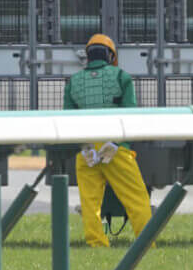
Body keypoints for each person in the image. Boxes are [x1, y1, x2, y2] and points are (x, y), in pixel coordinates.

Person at [64, 33, 152, 248]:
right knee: (136, 198)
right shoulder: (122, 76)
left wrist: (85, 147)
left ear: (88, 56)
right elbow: (130, 115)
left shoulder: (73, 81)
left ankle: (97, 243)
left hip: (86, 151)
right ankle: (147, 242)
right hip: (116, 146)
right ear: (110, 55)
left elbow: (68, 118)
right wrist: (114, 143)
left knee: (89, 201)